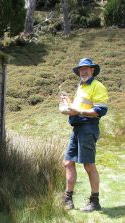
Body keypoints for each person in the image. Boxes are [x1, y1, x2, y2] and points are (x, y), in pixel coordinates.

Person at [60, 58, 108, 212]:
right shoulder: (81, 86)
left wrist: (78, 112)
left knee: (88, 165)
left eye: (87, 68)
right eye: (81, 69)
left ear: (93, 70)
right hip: (77, 128)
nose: (84, 71)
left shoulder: (97, 86)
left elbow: (100, 111)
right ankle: (68, 199)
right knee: (68, 162)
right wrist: (68, 102)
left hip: (88, 128)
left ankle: (95, 201)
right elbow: (77, 107)